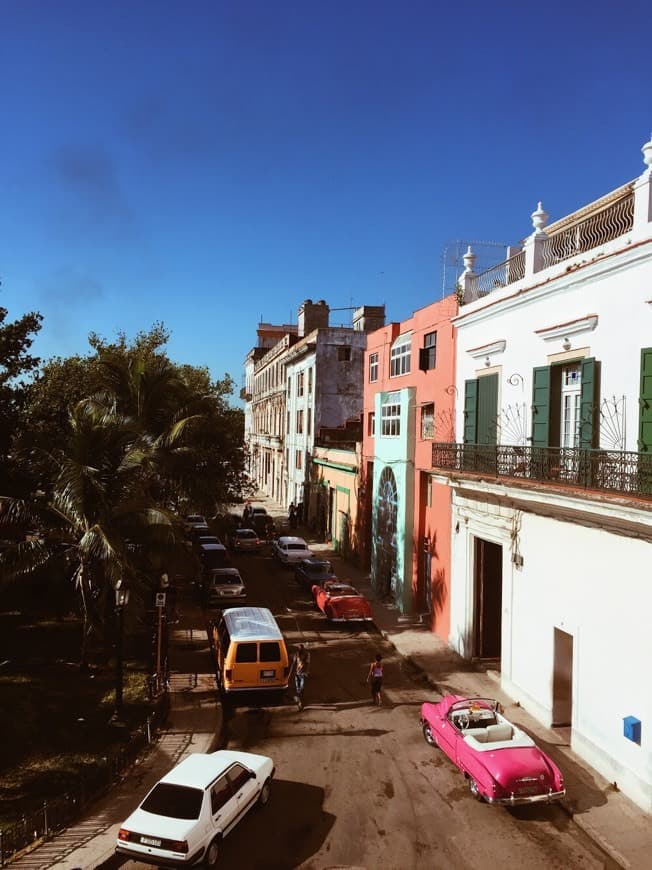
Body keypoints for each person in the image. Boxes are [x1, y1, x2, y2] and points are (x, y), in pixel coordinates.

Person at [293, 643, 310, 710]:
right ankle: (300, 703)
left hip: (303, 673)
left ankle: (301, 703)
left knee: (302, 688)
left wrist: (307, 672)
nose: (300, 650)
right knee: (298, 688)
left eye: (301, 649)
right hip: (297, 673)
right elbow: (294, 663)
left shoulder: (307, 654)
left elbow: (308, 663)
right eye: (299, 649)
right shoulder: (297, 654)